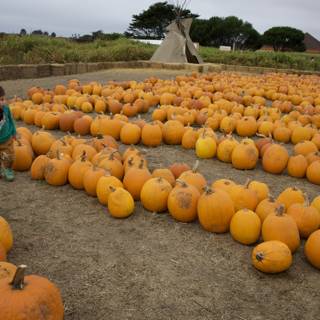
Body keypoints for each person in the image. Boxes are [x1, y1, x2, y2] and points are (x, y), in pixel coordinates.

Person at [0, 86, 16, 181]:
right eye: (0, 100)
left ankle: (8, 169)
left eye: (3, 99)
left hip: (6, 139)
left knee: (9, 156)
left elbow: (11, 120)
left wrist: (13, 132)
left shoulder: (6, 109)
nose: (2, 102)